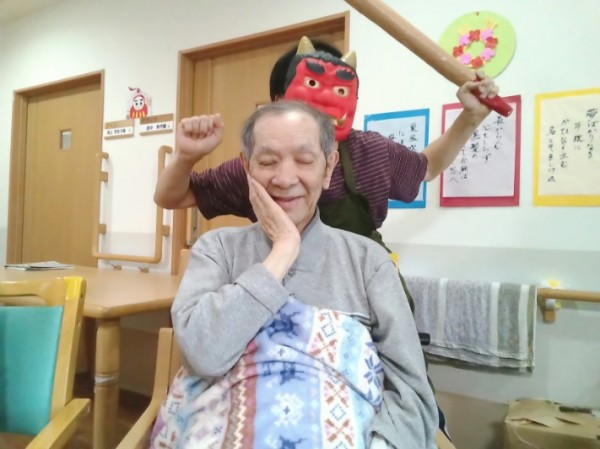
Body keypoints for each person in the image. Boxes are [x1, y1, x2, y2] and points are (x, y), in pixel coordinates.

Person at [150, 101, 438, 449]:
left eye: (304, 160)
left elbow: (411, 392)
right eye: (268, 162)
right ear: (247, 167)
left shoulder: (368, 261)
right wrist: (284, 249)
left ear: (328, 168)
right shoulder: (218, 249)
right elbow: (203, 354)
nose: (285, 179)